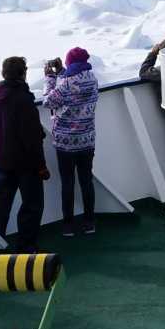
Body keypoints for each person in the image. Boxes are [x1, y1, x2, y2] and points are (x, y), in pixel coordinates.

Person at [0, 55, 50, 248]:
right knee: (32, 204)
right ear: (23, 74)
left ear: (4, 73)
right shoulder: (23, 99)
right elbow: (31, 138)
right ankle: (26, 246)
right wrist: (41, 166)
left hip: (3, 158)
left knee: (2, 203)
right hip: (25, 162)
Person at [43, 46, 99, 235]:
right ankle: (89, 222)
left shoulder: (65, 84)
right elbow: (74, 82)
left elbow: (48, 102)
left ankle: (68, 225)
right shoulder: (93, 79)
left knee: (68, 183)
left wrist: (50, 79)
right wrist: (61, 72)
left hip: (65, 143)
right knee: (86, 181)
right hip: (87, 140)